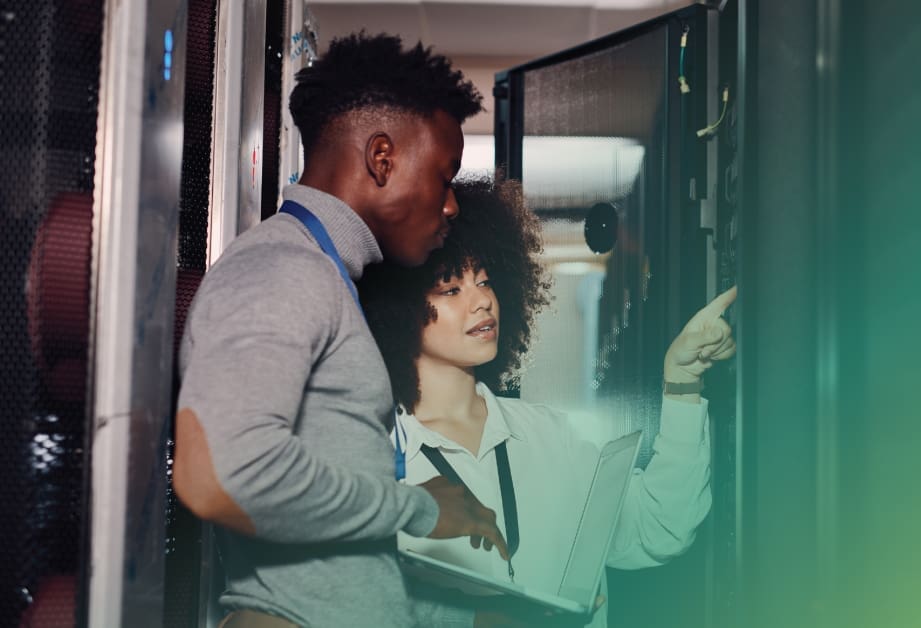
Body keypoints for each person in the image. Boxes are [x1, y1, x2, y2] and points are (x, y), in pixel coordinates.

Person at [174, 34, 508, 627]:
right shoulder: (283, 268)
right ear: (382, 158)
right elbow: (219, 476)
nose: (451, 205)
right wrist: (415, 508)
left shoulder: (324, 277)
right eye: (444, 174)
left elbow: (341, 574)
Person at [358, 177, 736, 627]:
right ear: (398, 311)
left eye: (484, 280)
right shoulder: (375, 460)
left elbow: (659, 529)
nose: (482, 301)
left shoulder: (551, 436)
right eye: (451, 289)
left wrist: (682, 384)